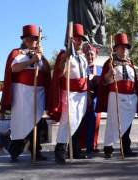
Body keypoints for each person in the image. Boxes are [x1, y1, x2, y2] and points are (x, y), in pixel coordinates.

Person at [0, 24, 51, 162]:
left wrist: (41, 57)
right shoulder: (17, 53)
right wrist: (31, 61)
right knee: (21, 122)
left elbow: (47, 70)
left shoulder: (40, 55)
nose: (31, 41)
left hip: (38, 92)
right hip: (22, 93)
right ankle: (15, 150)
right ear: (23, 40)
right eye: (28, 39)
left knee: (37, 122)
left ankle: (36, 151)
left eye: (34, 39)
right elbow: (14, 69)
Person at [49, 23, 88, 164]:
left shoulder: (83, 58)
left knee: (77, 121)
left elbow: (86, 76)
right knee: (67, 121)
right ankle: (60, 151)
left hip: (82, 94)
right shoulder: (65, 55)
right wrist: (66, 57)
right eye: (77, 39)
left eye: (82, 39)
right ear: (71, 40)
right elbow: (61, 72)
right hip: (70, 92)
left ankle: (75, 149)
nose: (80, 42)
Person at [96, 33, 138, 158]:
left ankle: (126, 148)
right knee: (114, 122)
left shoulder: (130, 63)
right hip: (116, 96)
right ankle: (108, 147)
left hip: (130, 97)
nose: (124, 49)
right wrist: (110, 73)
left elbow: (135, 81)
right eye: (121, 47)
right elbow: (104, 82)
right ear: (116, 49)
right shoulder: (110, 62)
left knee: (128, 123)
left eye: (126, 47)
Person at [78, 44, 102, 154]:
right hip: (81, 98)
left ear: (96, 55)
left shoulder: (100, 69)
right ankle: (80, 145)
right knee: (81, 122)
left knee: (94, 121)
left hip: (95, 99)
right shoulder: (80, 68)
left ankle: (92, 145)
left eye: (92, 54)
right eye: (87, 54)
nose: (90, 57)